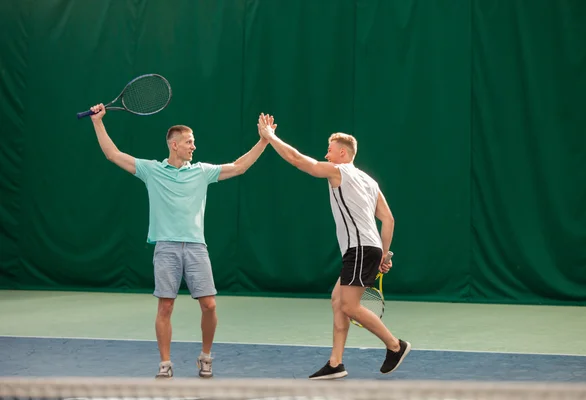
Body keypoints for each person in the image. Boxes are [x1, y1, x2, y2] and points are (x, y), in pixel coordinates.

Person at [88, 103, 269, 379]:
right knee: (166, 306)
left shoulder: (202, 172)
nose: (193, 147)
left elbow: (239, 167)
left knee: (209, 305)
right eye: (188, 142)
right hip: (166, 247)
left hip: (197, 247)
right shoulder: (151, 170)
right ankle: (165, 363)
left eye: (193, 142)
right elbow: (113, 155)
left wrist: (263, 140)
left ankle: (206, 356)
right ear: (174, 145)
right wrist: (98, 122)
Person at [257, 113, 410, 380]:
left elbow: (297, 160)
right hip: (368, 248)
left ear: (342, 153)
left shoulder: (339, 171)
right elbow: (388, 219)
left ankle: (395, 346)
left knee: (350, 306)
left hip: (360, 248)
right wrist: (385, 253)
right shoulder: (370, 181)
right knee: (338, 300)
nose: (326, 156)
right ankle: (335, 363)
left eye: (329, 151)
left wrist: (270, 138)